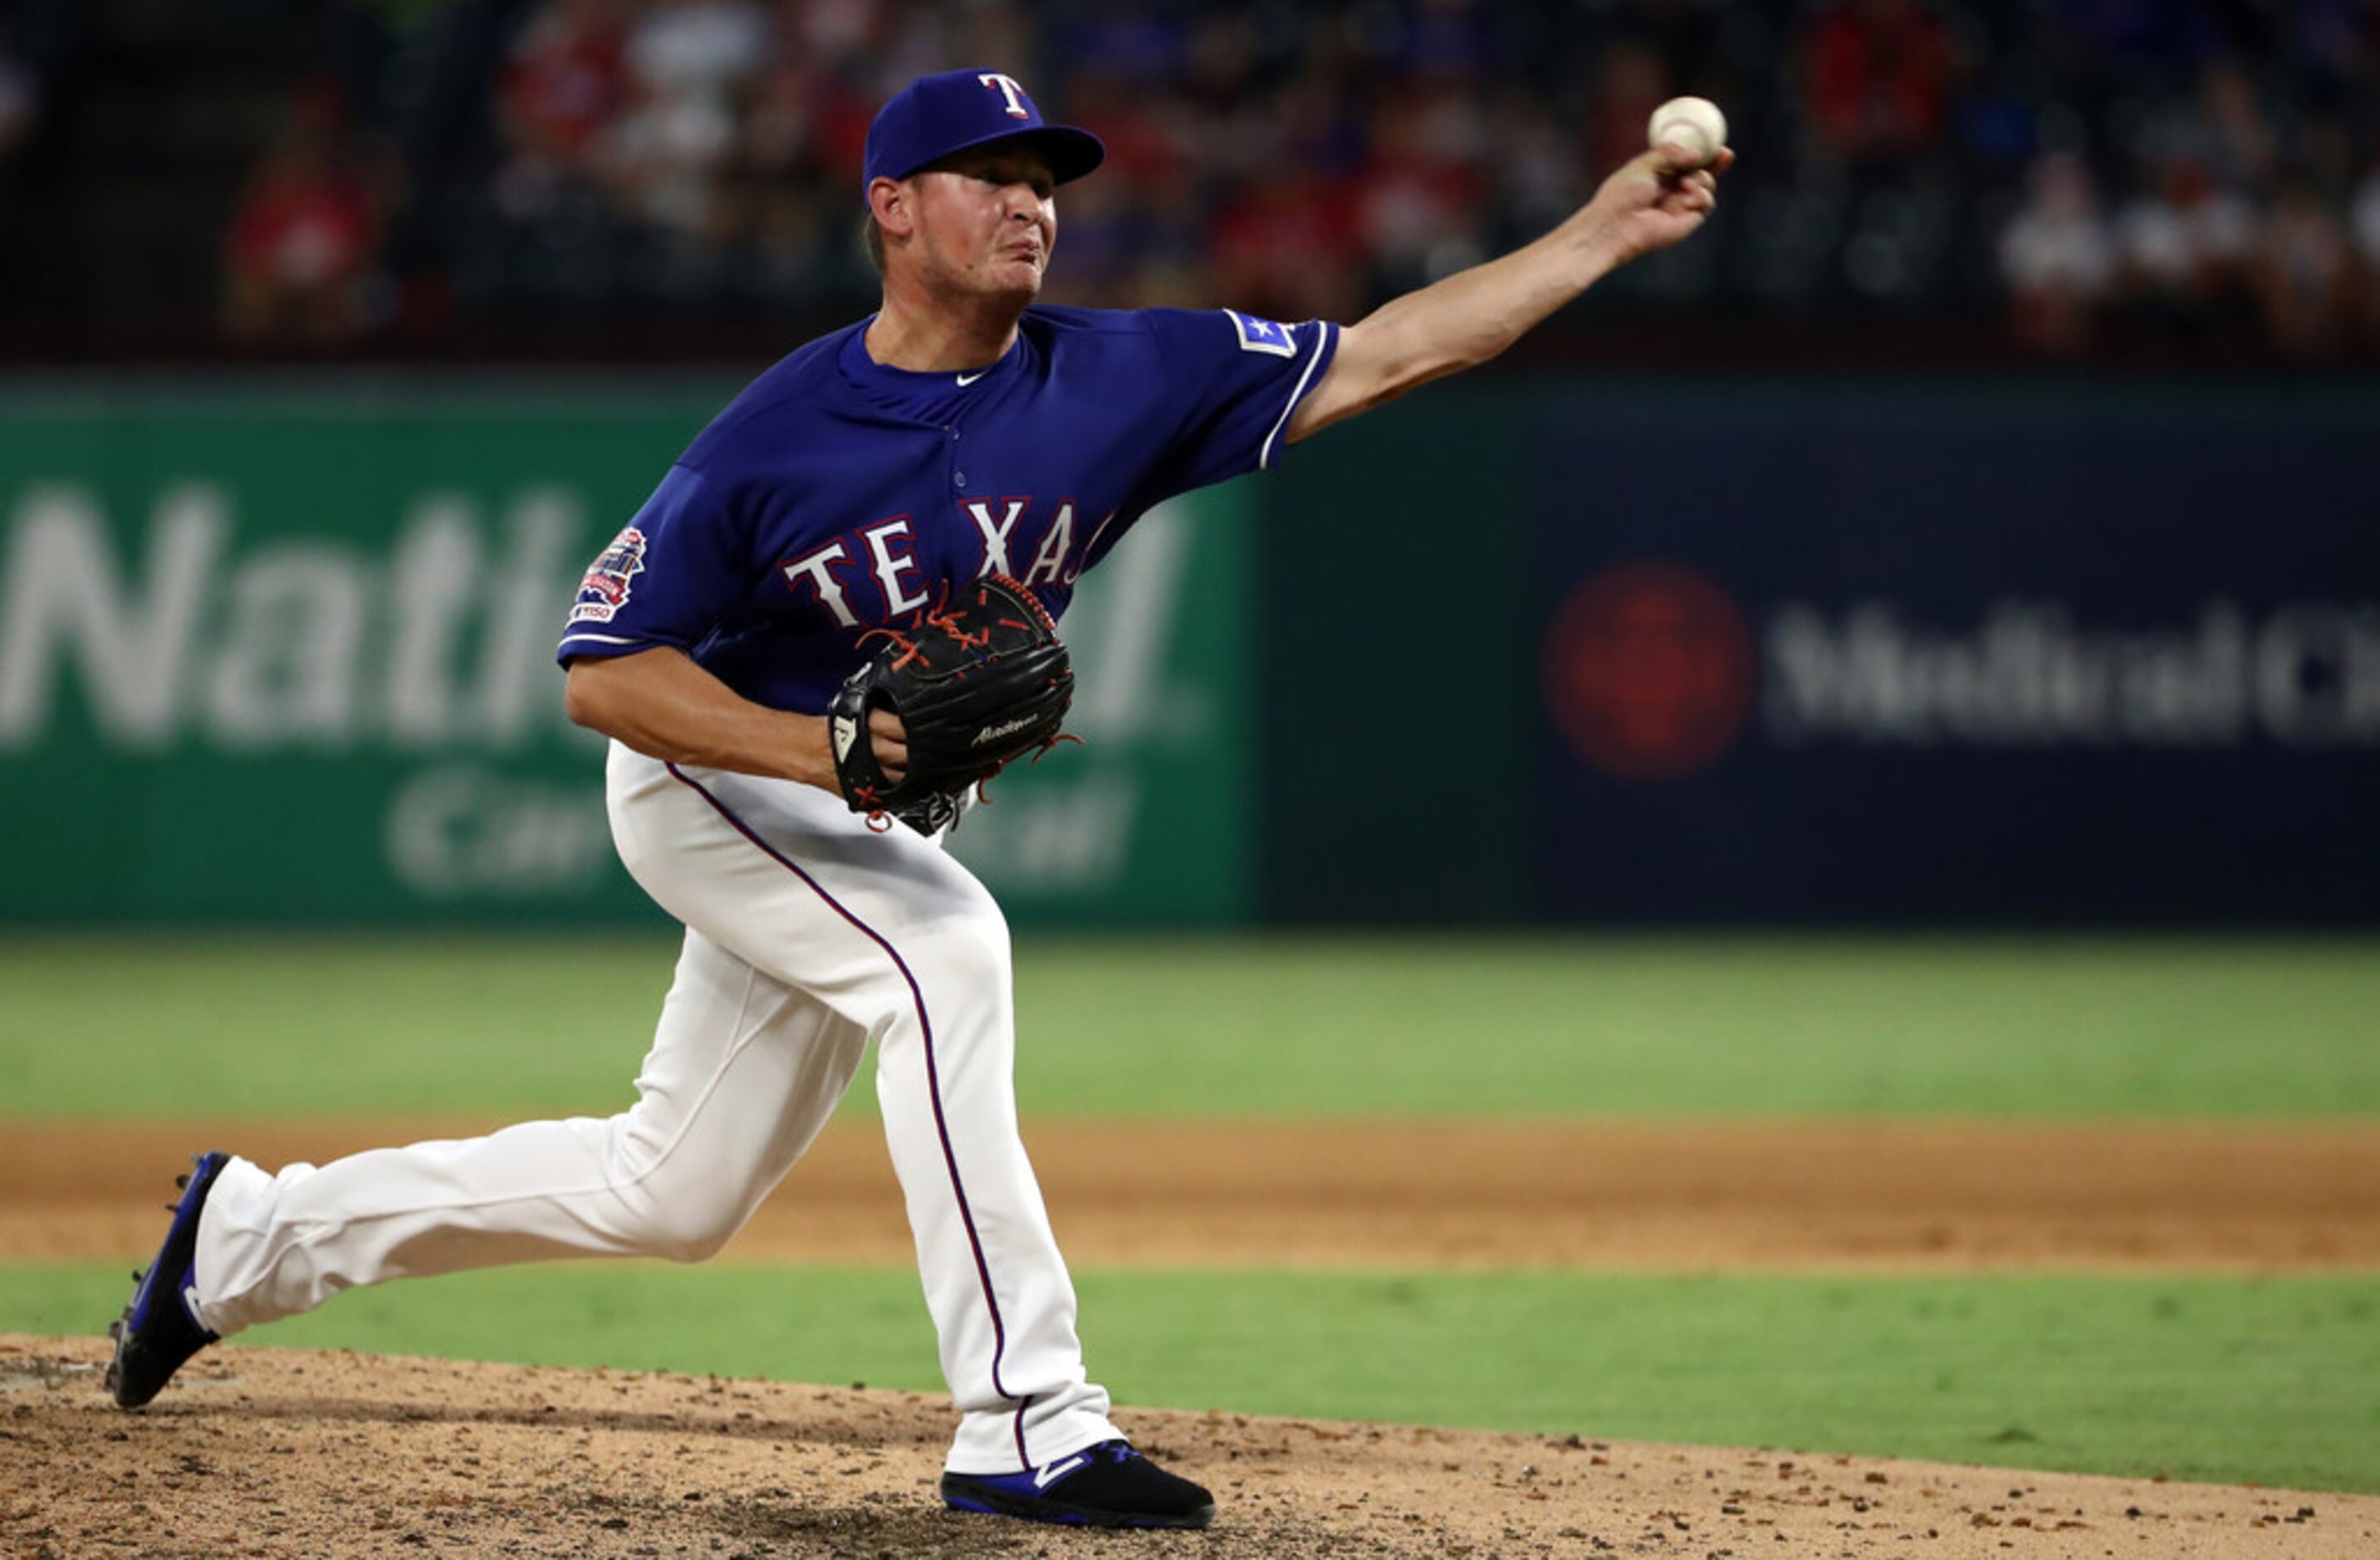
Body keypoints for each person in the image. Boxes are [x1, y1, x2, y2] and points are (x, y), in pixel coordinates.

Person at [108, 66, 1728, 1531]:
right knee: (942, 959)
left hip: (851, 814)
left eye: (1044, 176)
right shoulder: (776, 434)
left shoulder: (1122, 374)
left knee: (669, 1193)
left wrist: (1597, 228)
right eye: (985, 171)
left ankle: (250, 1238)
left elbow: (1388, 349)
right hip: (715, 779)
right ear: (891, 207)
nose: (1029, 200)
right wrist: (821, 758)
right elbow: (601, 672)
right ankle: (1024, 1420)